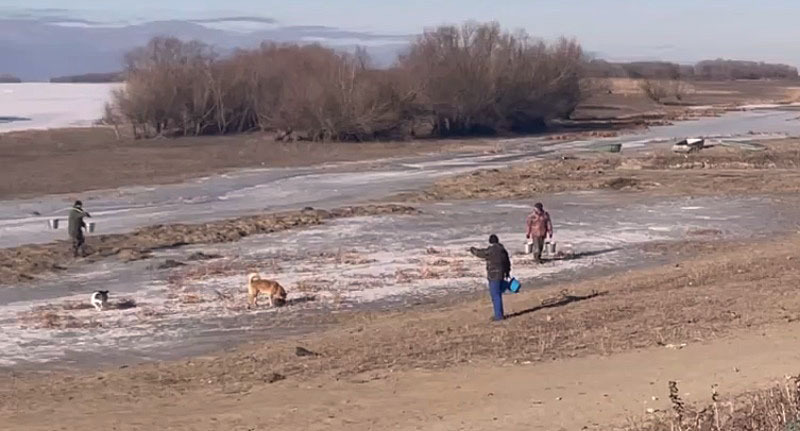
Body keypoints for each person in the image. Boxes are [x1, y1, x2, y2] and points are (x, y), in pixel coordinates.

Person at [470, 234, 511, 322]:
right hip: (501, 274)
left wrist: (472, 250)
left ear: (490, 241)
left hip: (493, 275)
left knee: (495, 295)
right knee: (498, 294)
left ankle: (499, 316)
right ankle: (499, 314)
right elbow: (507, 262)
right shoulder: (502, 250)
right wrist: (507, 273)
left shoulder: (491, 250)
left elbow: (480, 253)